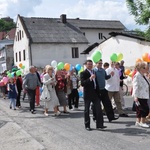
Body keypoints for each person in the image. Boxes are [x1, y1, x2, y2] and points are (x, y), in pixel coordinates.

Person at [80, 59, 106, 131]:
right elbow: (83, 83)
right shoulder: (83, 73)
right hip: (88, 94)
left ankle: (100, 124)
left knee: (98, 109)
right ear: (86, 65)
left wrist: (98, 92)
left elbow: (96, 83)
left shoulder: (94, 72)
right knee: (87, 110)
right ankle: (87, 125)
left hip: (95, 93)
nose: (90, 66)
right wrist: (90, 79)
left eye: (91, 64)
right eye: (88, 64)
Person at [132, 62, 149, 128]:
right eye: (144, 67)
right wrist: (135, 96)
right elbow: (135, 86)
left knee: (140, 109)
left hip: (144, 94)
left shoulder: (143, 75)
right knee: (144, 109)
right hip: (140, 95)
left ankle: (138, 121)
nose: (146, 69)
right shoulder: (137, 76)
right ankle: (142, 122)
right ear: (140, 68)